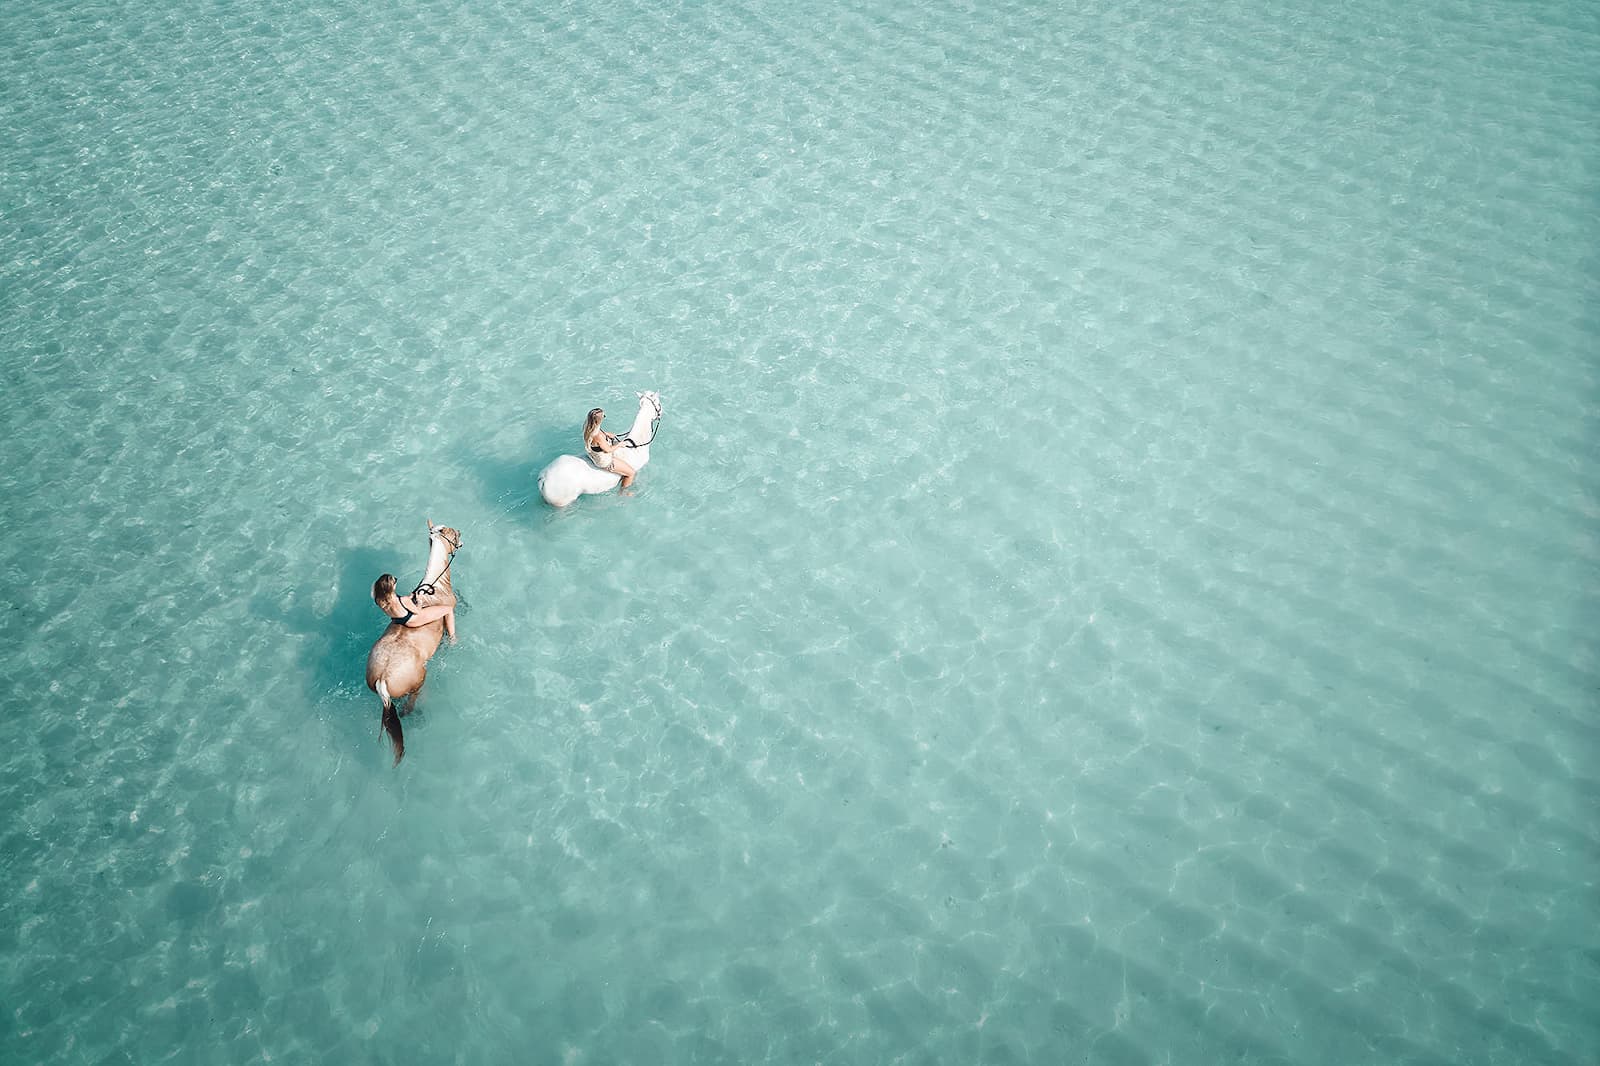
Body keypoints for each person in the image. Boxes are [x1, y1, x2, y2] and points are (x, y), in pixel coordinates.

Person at [373, 573, 457, 643]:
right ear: (392, 587)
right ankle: (452, 638)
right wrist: (419, 600)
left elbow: (397, 604)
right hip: (413, 620)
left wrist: (410, 598)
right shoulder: (403, 600)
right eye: (394, 581)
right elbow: (418, 611)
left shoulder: (380, 600)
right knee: (448, 609)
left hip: (398, 619)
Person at [583, 407, 636, 489]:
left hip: (592, 455)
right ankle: (624, 493)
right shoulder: (599, 436)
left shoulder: (587, 427)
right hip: (604, 461)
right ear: (599, 420)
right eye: (603, 416)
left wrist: (606, 434)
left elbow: (596, 436)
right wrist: (620, 444)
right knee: (631, 473)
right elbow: (608, 450)